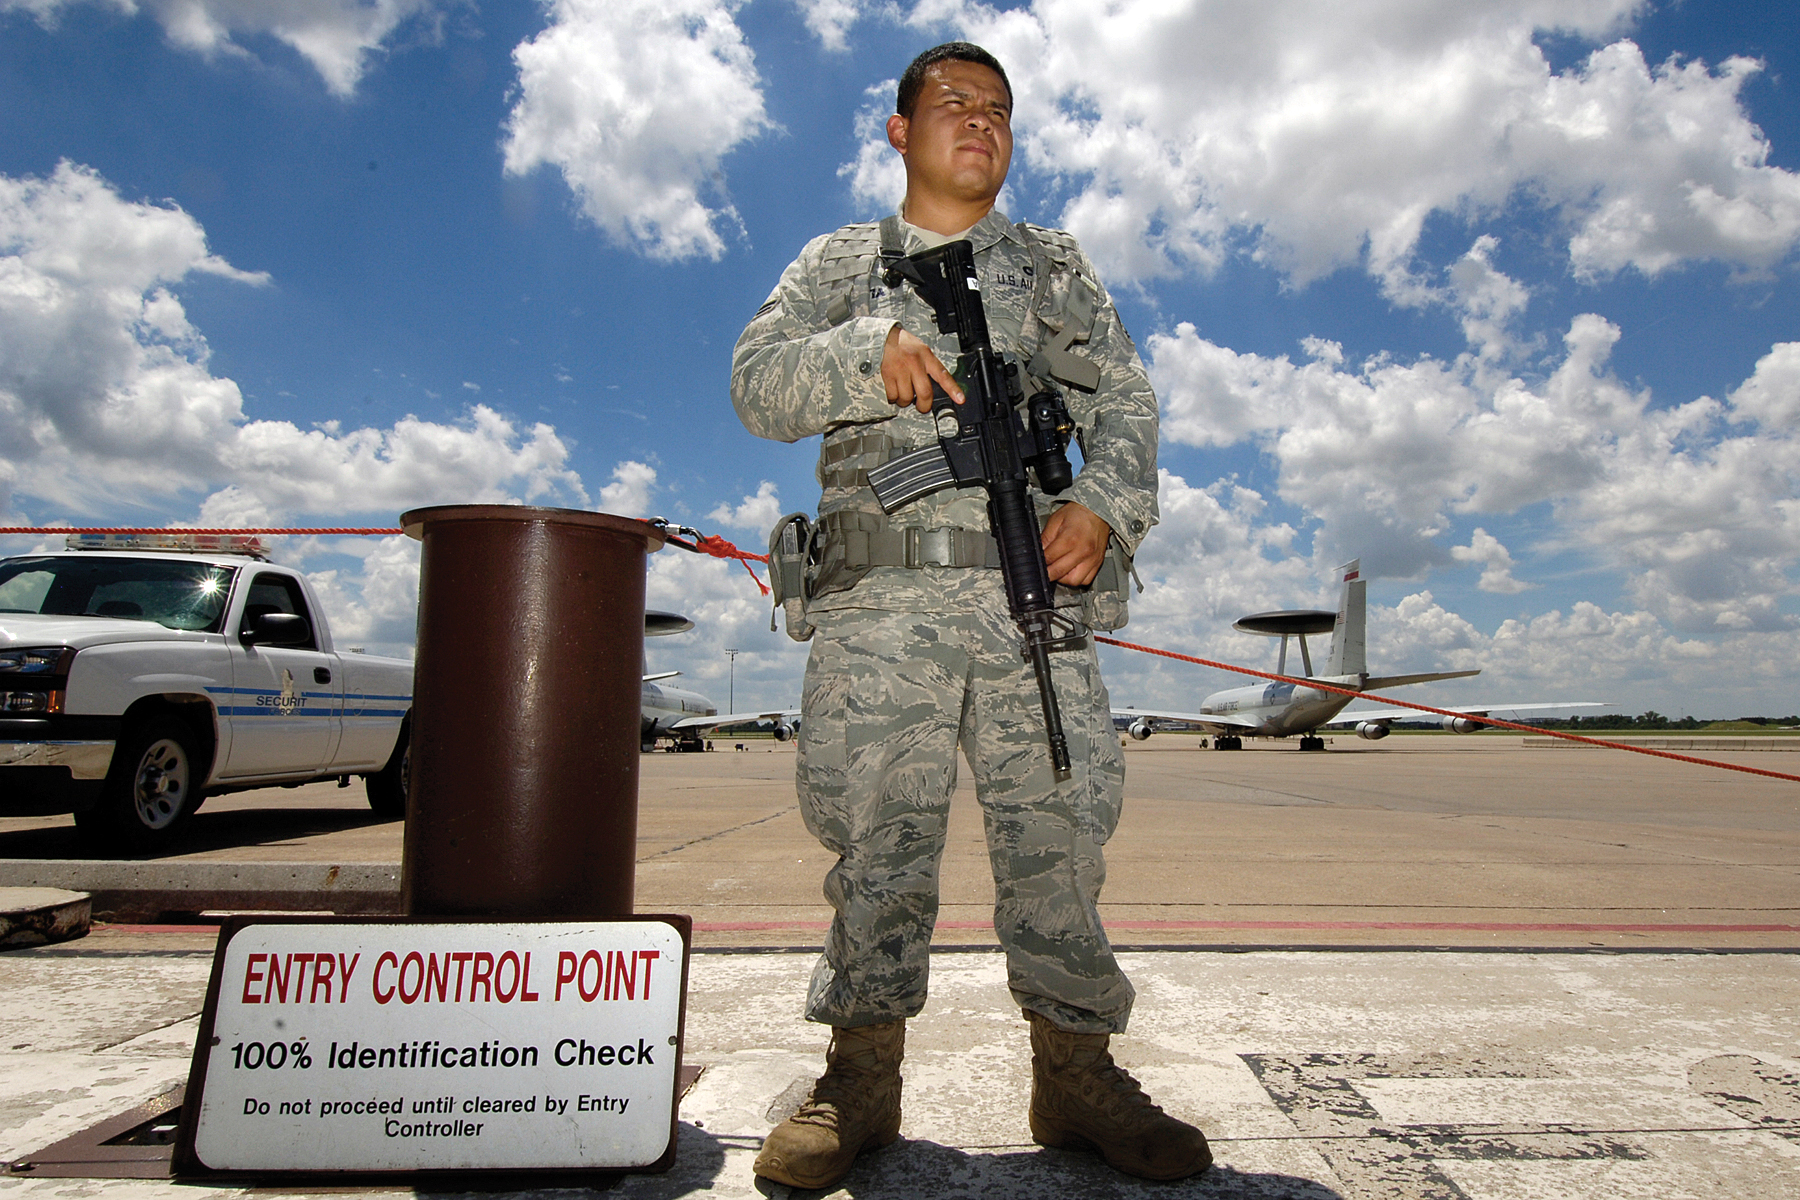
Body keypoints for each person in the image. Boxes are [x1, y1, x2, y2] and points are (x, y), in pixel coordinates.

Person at [730, 41, 1211, 1188]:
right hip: (880, 608)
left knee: (1058, 836)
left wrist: (1104, 505)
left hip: (1029, 598)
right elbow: (755, 382)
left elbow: (1128, 399)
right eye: (953, 103)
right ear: (899, 130)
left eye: (998, 109)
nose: (980, 122)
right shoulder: (841, 264)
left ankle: (1076, 1074)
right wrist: (866, 358)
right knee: (877, 839)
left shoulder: (1048, 268)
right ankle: (860, 1075)